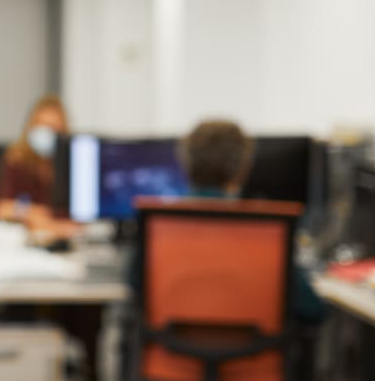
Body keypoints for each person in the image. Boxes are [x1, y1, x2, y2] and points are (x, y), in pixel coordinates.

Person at [128, 120, 325, 324]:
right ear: (243, 167)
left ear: (184, 163)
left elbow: (135, 286)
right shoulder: (266, 232)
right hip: (252, 355)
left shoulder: (159, 228)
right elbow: (312, 309)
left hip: (168, 354)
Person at [0, 94, 79, 241]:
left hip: (65, 241)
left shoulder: (75, 165)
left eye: (52, 128)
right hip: (29, 241)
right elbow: (1, 209)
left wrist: (55, 227)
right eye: (41, 125)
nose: (45, 133)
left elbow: (80, 220)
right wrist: (29, 212)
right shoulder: (17, 160)